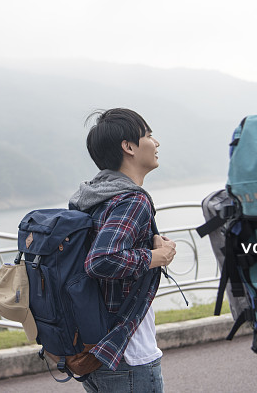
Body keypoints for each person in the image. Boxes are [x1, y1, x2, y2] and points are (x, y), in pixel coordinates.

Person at [68, 107, 177, 393]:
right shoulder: (132, 200)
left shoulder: (91, 196)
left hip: (96, 346)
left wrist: (146, 245)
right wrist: (157, 256)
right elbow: (102, 260)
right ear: (128, 147)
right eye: (149, 135)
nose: (156, 143)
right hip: (127, 354)